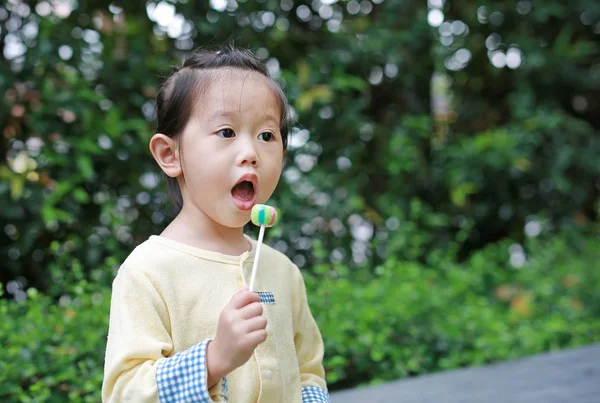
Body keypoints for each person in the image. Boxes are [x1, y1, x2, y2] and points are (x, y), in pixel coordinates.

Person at [101, 46, 330, 403]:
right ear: (169, 154)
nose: (251, 152)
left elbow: (308, 373)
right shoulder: (148, 272)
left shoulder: (283, 271)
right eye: (226, 132)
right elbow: (124, 393)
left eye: (267, 135)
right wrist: (213, 359)